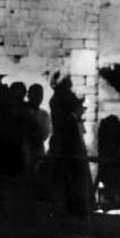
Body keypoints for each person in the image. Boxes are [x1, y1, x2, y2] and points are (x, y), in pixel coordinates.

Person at [48, 73, 93, 220]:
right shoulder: (61, 100)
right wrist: (75, 114)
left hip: (68, 142)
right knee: (70, 178)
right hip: (67, 143)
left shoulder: (60, 99)